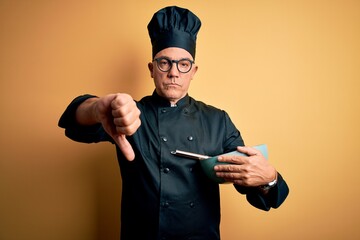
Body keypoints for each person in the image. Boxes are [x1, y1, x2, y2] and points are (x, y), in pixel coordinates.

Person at [59, 6, 289, 240]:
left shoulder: (217, 120)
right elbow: (75, 121)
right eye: (164, 63)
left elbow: (254, 185)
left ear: (193, 71)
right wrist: (97, 108)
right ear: (151, 69)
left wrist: (269, 178)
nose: (174, 73)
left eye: (183, 64)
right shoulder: (128, 113)